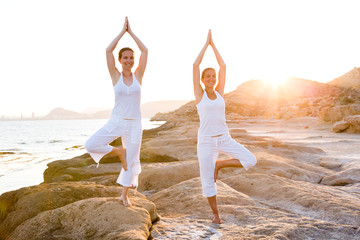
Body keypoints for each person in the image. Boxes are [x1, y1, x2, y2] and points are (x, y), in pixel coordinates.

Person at [193, 30, 257, 224]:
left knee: (250, 159)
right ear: (203, 80)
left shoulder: (220, 92)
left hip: (224, 138)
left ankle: (219, 164)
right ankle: (216, 215)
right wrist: (205, 45)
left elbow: (223, 65)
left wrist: (214, 46)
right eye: (208, 76)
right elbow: (195, 65)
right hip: (205, 142)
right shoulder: (200, 95)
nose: (212, 78)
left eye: (213, 76)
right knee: (208, 182)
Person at [85, 17, 148, 207]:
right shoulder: (115, 76)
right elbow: (108, 51)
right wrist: (122, 32)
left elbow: (145, 50)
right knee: (91, 144)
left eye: (131, 58)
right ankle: (118, 151)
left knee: (132, 159)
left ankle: (124, 195)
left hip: (135, 123)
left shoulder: (138, 76)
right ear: (120, 60)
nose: (128, 60)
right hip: (117, 120)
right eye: (125, 58)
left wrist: (132, 33)